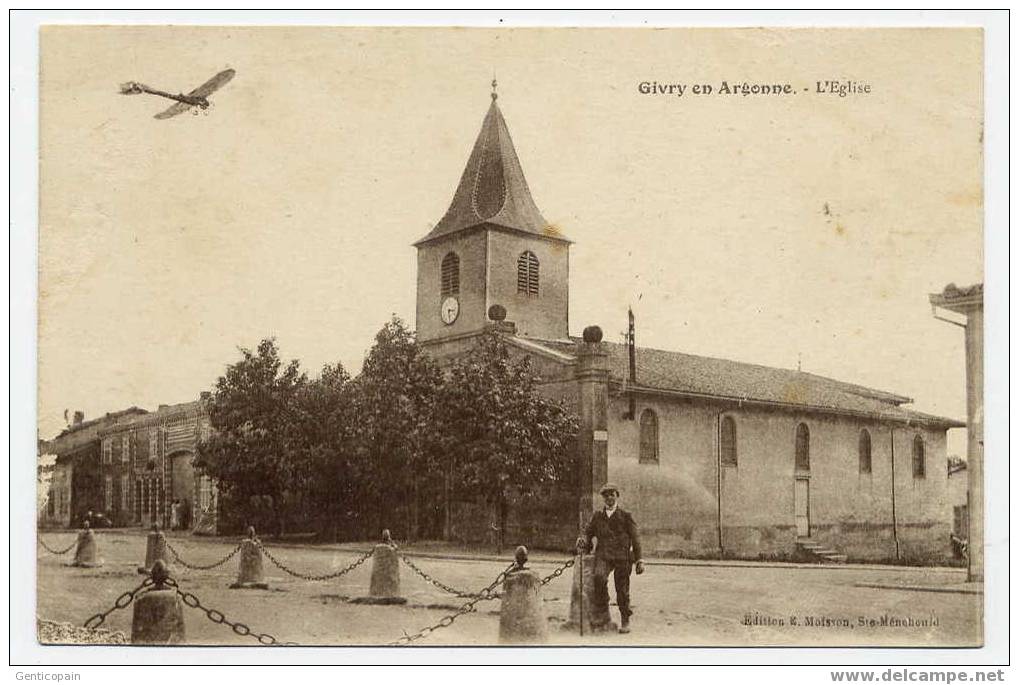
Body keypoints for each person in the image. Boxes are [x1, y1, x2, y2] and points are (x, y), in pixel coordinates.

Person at [579, 482, 644, 634]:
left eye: (612, 494)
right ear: (603, 498)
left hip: (623, 557)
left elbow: (636, 538)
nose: (609, 497)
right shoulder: (597, 517)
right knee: (599, 578)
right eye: (606, 495)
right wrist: (583, 541)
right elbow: (588, 533)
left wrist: (639, 560)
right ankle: (603, 614)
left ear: (617, 496)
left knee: (622, 589)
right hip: (604, 556)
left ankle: (625, 620)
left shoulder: (625, 516)